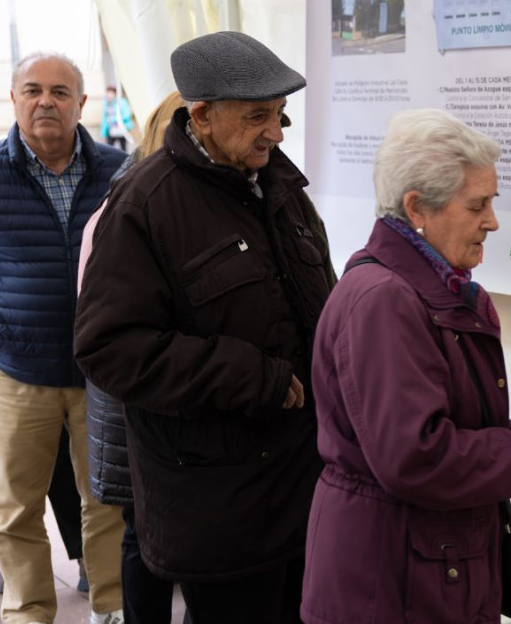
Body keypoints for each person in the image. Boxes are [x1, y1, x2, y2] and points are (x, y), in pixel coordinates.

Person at [74, 31, 335, 623]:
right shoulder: (145, 205)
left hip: (307, 488)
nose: (276, 131)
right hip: (220, 505)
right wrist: (247, 375)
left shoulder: (283, 190)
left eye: (280, 114)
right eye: (257, 116)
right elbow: (108, 347)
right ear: (203, 116)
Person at [300, 109, 511, 624]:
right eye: (478, 205)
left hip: (421, 562)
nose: (492, 221)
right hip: (392, 577)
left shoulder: (425, 289)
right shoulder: (386, 301)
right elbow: (412, 455)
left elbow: (436, 420)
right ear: (418, 208)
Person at [0, 53, 126, 624]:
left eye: (61, 92)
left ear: (82, 104)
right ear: (12, 99)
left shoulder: (120, 171)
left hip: (102, 374)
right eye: (33, 90)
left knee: (108, 501)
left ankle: (110, 607)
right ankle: (28, 611)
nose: (46, 102)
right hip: (14, 372)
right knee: (15, 509)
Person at [79, 90, 190, 624]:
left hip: (156, 402)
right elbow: (106, 330)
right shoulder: (126, 208)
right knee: (143, 536)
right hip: (136, 408)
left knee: (155, 536)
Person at [100, 86, 135, 151]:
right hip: (111, 130)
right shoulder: (107, 104)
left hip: (121, 128)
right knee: (109, 148)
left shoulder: (122, 102)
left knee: (123, 148)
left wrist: (114, 119)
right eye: (108, 93)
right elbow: (105, 119)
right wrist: (103, 132)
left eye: (111, 93)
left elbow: (127, 114)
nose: (109, 95)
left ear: (115, 94)